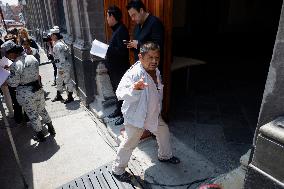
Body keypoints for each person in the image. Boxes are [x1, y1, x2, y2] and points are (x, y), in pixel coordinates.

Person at [111, 42, 180, 182]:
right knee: (130, 143)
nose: (154, 61)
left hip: (153, 114)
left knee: (163, 130)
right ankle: (117, 170)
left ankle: (165, 156)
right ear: (140, 57)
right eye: (150, 57)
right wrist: (135, 89)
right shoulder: (134, 73)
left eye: (157, 58)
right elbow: (120, 93)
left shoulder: (156, 71)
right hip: (136, 117)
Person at [2, 40, 55, 142]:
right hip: (37, 89)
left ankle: (40, 135)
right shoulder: (31, 57)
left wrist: (8, 77)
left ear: (13, 52)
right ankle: (51, 128)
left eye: (8, 54)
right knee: (42, 110)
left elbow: (13, 83)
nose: (7, 56)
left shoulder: (15, 65)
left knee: (33, 114)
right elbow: (26, 69)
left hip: (26, 94)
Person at [106, 5, 130, 125]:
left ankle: (124, 115)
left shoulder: (122, 30)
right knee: (117, 91)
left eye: (107, 16)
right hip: (114, 69)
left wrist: (107, 50)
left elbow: (122, 51)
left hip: (120, 69)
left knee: (122, 93)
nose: (107, 19)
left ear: (112, 16)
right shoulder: (116, 29)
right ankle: (118, 110)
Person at [126, 0, 164, 73]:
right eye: (131, 16)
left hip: (151, 68)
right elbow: (137, 44)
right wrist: (132, 45)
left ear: (141, 10)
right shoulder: (137, 25)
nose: (132, 19)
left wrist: (138, 44)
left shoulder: (155, 23)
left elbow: (157, 46)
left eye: (134, 15)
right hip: (140, 66)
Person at [50, 27, 74, 104]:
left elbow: (62, 58)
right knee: (58, 80)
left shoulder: (58, 45)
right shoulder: (59, 42)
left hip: (62, 66)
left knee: (67, 80)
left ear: (55, 35)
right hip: (60, 65)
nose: (50, 36)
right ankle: (58, 95)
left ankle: (70, 96)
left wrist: (61, 68)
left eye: (52, 35)